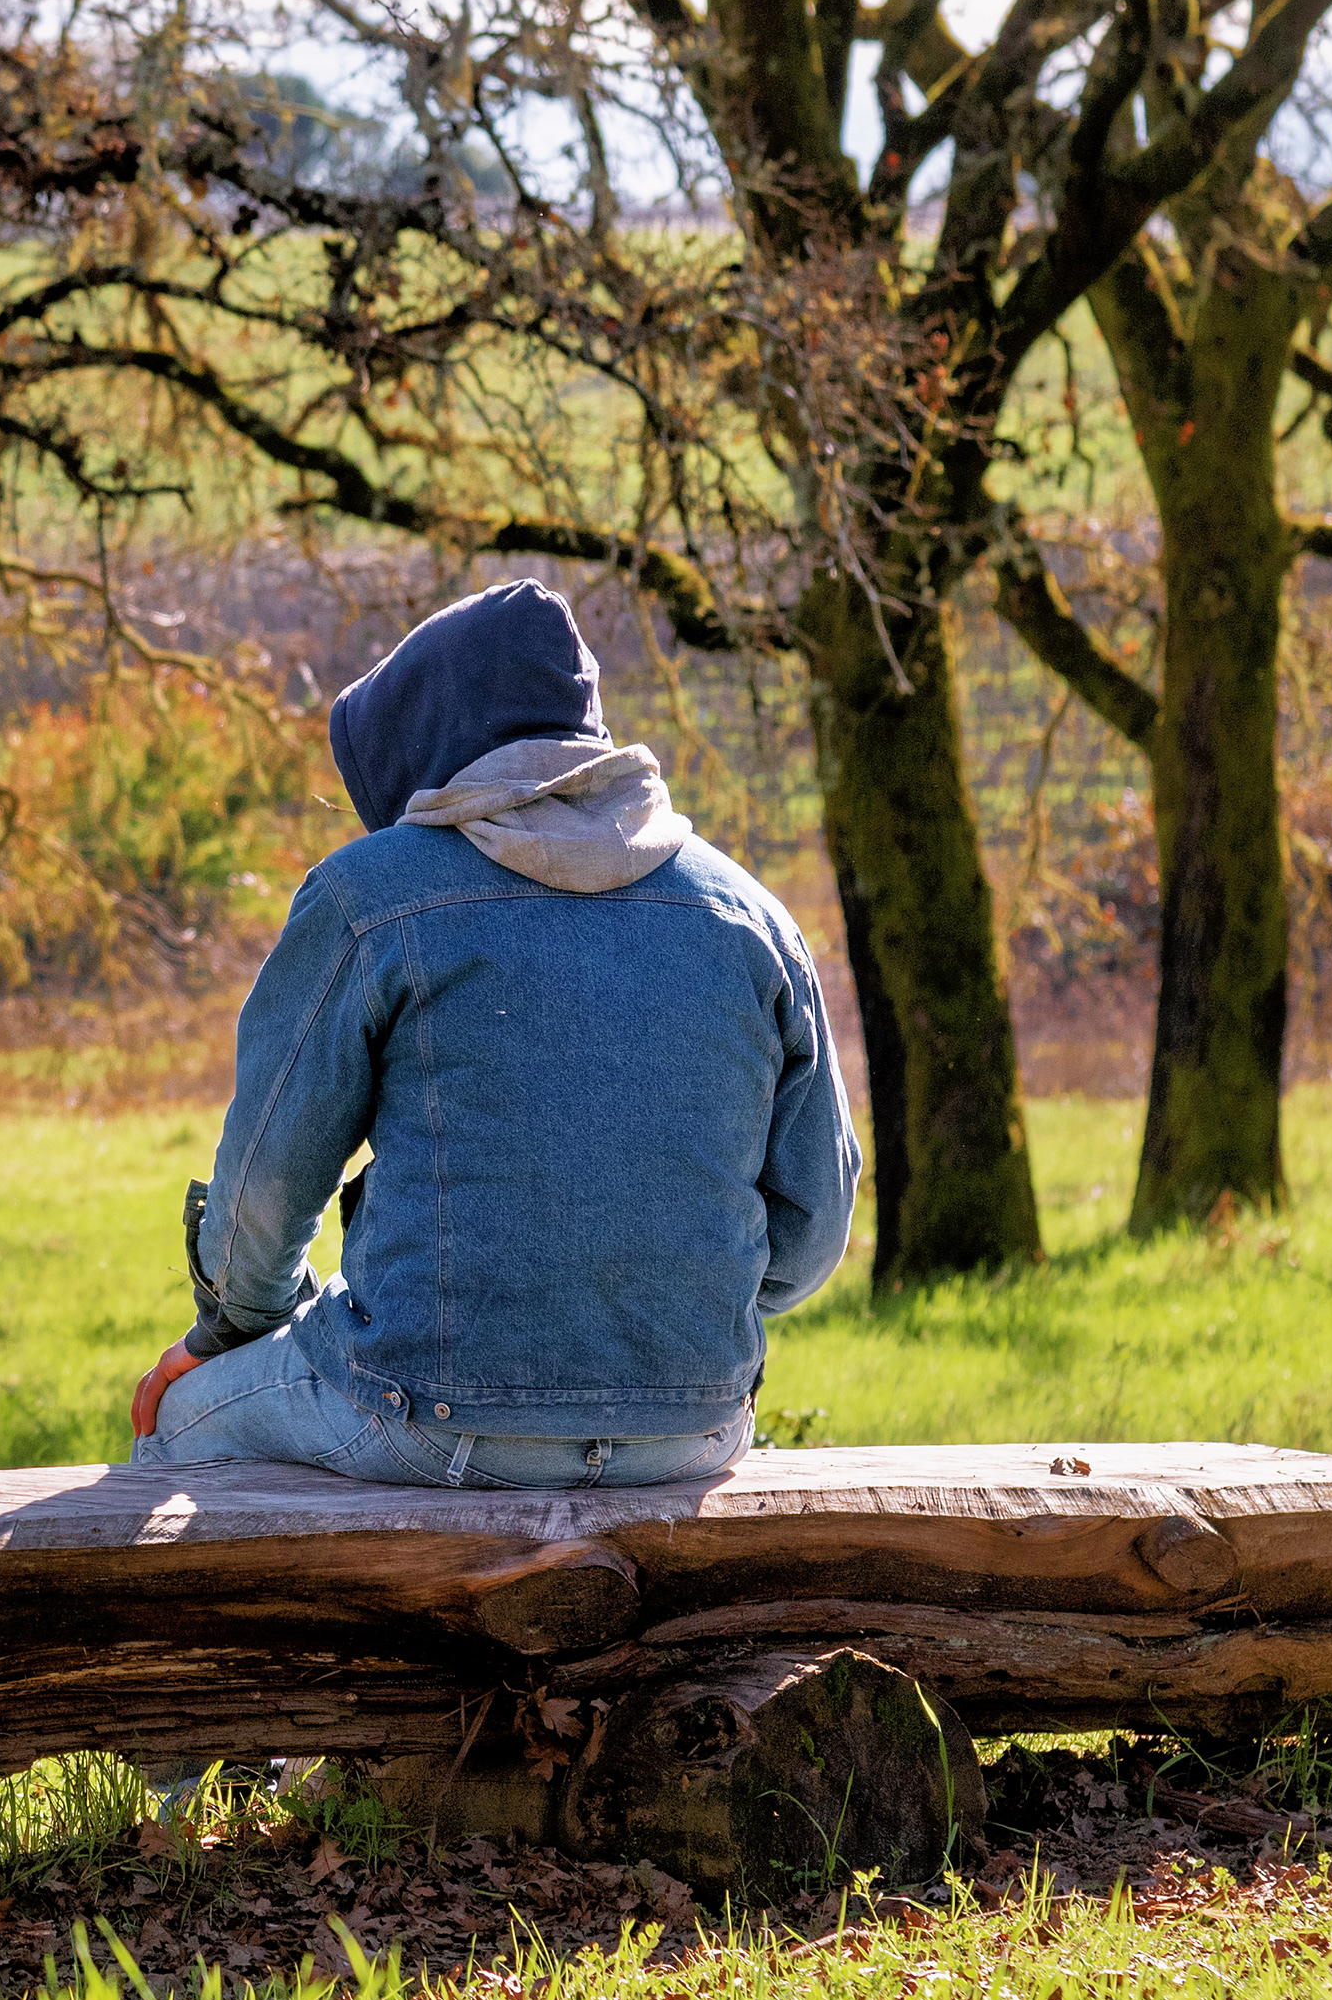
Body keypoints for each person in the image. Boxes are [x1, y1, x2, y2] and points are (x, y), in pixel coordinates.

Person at [135, 580, 855, 1492]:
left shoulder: (368, 897)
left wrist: (230, 1332)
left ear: (423, 750)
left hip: (424, 1420)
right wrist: (654, 1325)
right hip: (698, 1429)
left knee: (170, 1420)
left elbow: (264, 1201)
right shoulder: (753, 917)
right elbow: (815, 1227)